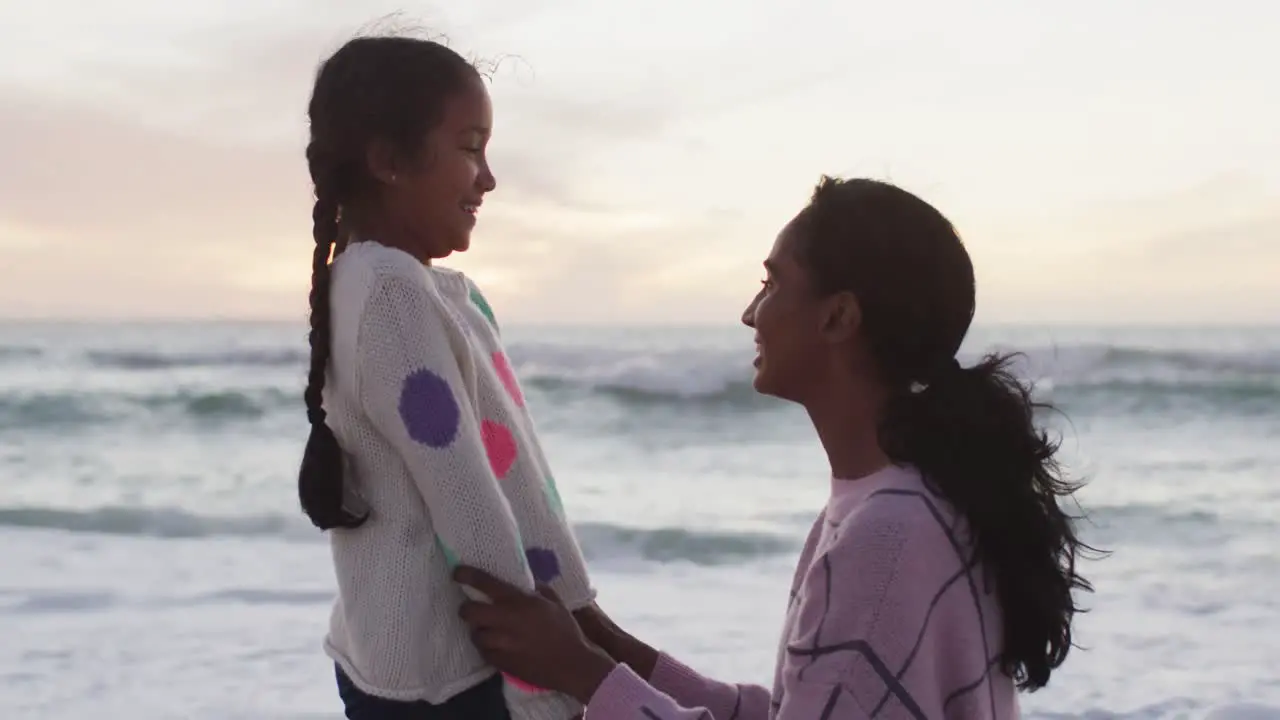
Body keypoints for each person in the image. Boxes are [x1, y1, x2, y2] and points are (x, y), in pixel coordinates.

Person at [452, 176, 1093, 718]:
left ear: (838, 317)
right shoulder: (898, 500)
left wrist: (583, 675)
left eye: (772, 283)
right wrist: (612, 648)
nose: (751, 312)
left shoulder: (888, 533)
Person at [296, 33, 595, 720]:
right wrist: (552, 693)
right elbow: (470, 504)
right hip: (453, 680)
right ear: (389, 161)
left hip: (395, 662)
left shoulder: (384, 285)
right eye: (469, 147)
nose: (487, 178)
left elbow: (509, 480)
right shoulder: (394, 296)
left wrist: (586, 624)